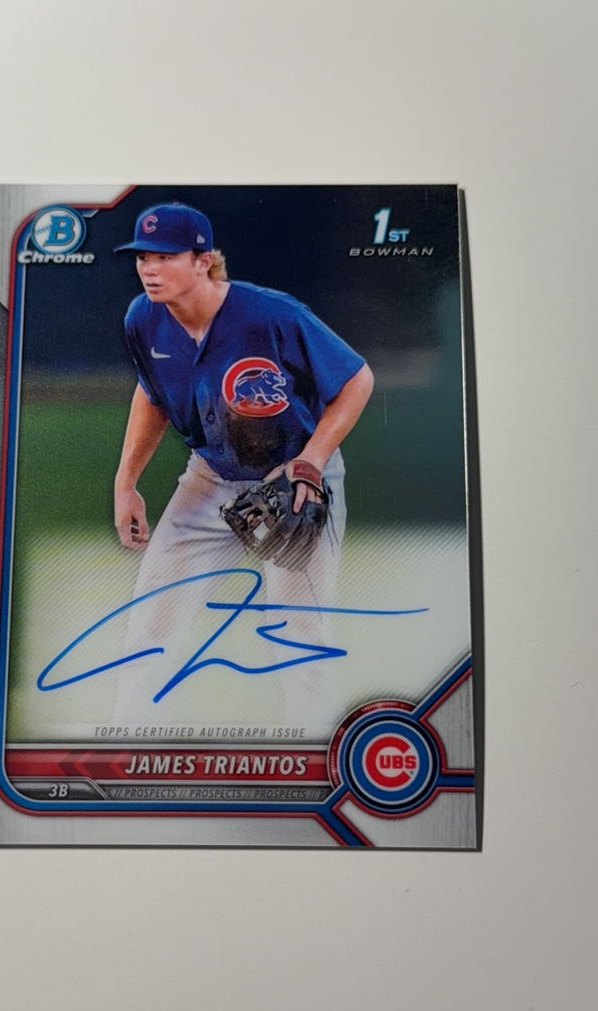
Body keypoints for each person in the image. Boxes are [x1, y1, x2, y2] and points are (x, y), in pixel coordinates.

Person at [110, 202, 374, 728]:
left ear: (203, 261)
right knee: (150, 625)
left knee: (299, 635)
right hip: (208, 478)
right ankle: (131, 745)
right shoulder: (143, 318)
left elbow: (356, 380)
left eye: (165, 256)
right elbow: (153, 394)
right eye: (142, 257)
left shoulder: (269, 315)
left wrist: (312, 461)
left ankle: (316, 755)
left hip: (294, 480)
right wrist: (126, 482)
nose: (149, 268)